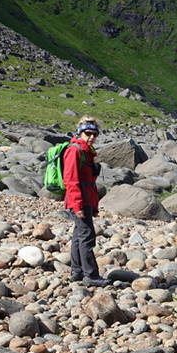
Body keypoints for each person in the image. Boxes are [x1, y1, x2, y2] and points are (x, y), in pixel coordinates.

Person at [64, 116, 108, 286]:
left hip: (86, 200)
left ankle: (77, 271)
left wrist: (93, 206)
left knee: (79, 236)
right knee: (87, 236)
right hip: (79, 201)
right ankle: (91, 275)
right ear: (80, 132)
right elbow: (71, 180)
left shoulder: (87, 152)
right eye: (88, 133)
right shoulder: (75, 151)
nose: (91, 137)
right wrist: (77, 205)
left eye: (94, 134)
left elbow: (89, 183)